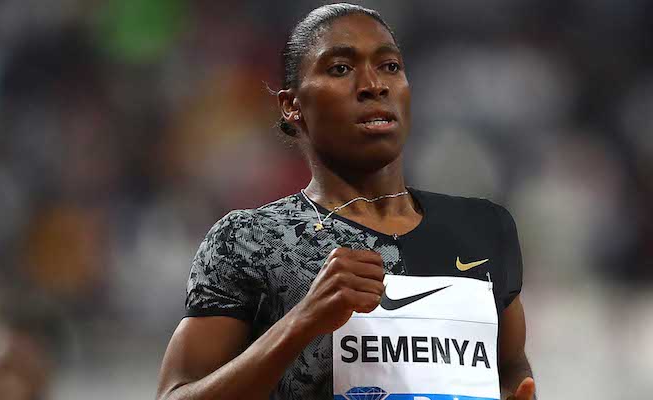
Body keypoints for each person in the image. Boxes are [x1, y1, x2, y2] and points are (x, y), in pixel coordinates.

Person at [157, 4, 535, 400]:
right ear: (292, 106)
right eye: (340, 68)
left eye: (390, 66)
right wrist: (303, 320)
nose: (374, 84)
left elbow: (512, 368)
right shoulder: (249, 241)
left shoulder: (484, 230)